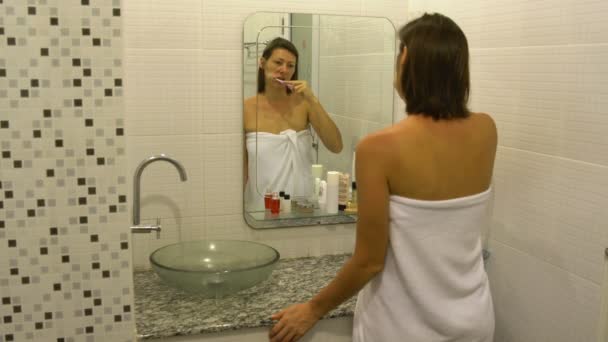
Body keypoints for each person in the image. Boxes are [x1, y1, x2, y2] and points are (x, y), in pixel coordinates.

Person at [269, 13, 497, 342]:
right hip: (473, 319)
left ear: (406, 59)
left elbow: (368, 261)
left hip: (404, 326)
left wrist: (313, 308)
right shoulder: (486, 130)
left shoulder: (379, 148)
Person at [243, 37, 343, 211]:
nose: (284, 70)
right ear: (262, 63)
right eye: (278, 63)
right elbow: (242, 169)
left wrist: (312, 99)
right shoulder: (246, 109)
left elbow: (336, 146)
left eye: (291, 65)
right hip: (260, 208)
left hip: (302, 207)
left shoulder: (304, 104)